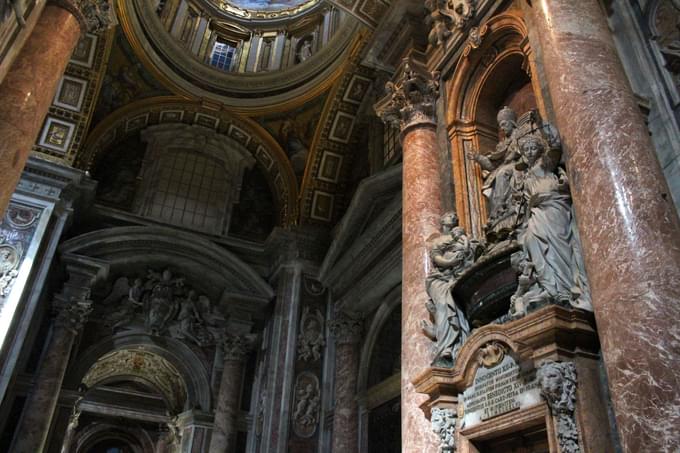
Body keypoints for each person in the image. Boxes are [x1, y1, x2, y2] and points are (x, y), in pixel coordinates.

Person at [422, 212, 478, 364]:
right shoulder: (439, 241)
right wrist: (452, 261)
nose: (453, 217)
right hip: (440, 278)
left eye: (455, 216)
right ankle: (445, 345)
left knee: (458, 304)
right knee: (442, 303)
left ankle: (458, 343)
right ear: (442, 221)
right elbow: (437, 258)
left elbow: (470, 252)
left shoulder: (462, 236)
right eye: (449, 215)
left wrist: (464, 238)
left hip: (458, 276)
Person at [467, 106, 524, 243]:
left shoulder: (521, 135)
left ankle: (500, 210)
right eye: (500, 126)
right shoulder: (502, 145)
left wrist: (516, 153)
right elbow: (493, 165)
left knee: (502, 173)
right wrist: (478, 157)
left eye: (504, 124)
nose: (502, 129)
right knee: (495, 178)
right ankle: (496, 215)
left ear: (512, 123)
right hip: (504, 169)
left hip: (520, 165)